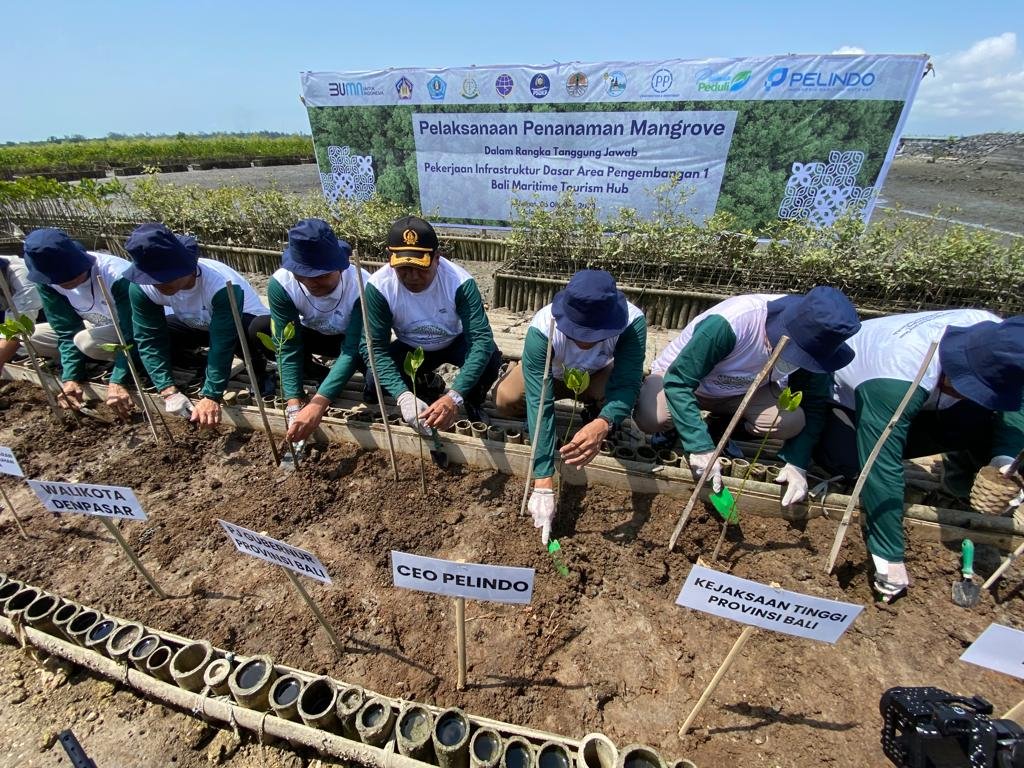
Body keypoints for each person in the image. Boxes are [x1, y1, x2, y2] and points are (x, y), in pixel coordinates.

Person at [815, 310, 1024, 601]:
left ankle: (961, 486)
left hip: (921, 402)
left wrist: (1004, 458)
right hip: (849, 404)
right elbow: (880, 464)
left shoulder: (998, 335)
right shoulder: (896, 370)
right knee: (848, 462)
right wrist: (888, 555)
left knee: (985, 421)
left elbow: (1016, 406)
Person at [634, 287, 861, 505]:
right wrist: (699, 446)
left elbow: (813, 403)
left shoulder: (819, 342)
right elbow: (679, 381)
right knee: (652, 418)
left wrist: (797, 463)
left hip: (741, 392)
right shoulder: (734, 322)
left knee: (791, 421)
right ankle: (680, 428)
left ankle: (718, 429)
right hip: (685, 382)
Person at [494, 270, 648, 544]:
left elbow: (627, 382)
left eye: (594, 334)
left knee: (616, 399)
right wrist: (542, 478)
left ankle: (595, 411)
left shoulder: (632, 322)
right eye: (578, 331)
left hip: (595, 377)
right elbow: (539, 401)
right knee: (505, 400)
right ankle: (517, 369)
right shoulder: (543, 326)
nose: (585, 340)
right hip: (551, 374)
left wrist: (604, 422)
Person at [363, 215, 501, 432]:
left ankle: (473, 399)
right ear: (390, 258)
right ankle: (422, 386)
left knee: (490, 356)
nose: (413, 277)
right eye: (404, 269)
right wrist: (403, 396)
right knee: (373, 381)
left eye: (421, 268)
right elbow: (374, 347)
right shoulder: (379, 287)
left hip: (454, 341)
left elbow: (481, 340)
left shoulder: (459, 282)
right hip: (410, 345)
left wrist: (454, 397)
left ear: (437, 257)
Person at [124, 222, 269, 428]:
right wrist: (167, 390)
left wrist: (211, 395)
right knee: (163, 332)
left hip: (240, 324)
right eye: (152, 279)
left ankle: (260, 372)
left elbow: (222, 340)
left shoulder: (220, 285)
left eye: (165, 278)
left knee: (249, 332)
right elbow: (148, 337)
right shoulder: (142, 288)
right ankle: (196, 363)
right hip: (196, 324)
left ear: (186, 267)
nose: (158, 285)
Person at [252, 218, 370, 443]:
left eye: (321, 276)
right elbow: (288, 345)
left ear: (340, 265)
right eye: (302, 275)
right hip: (312, 336)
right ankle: (319, 375)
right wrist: (294, 404)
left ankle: (336, 383)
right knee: (260, 328)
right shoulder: (282, 283)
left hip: (355, 343)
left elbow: (352, 349)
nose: (311, 283)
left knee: (376, 384)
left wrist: (318, 403)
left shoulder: (361, 285)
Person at [21, 228, 138, 419]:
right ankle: (84, 362)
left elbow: (133, 330)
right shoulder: (47, 282)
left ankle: (116, 360)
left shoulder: (115, 274)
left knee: (85, 342)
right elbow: (66, 330)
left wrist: (118, 379)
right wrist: (71, 378)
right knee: (29, 337)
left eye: (71, 276)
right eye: (59, 280)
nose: (65, 283)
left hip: (134, 330)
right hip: (98, 329)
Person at [0, 254, 44, 376]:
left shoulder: (21, 274)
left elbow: (18, 327)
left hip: (41, 318)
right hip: (5, 317)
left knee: (29, 338)